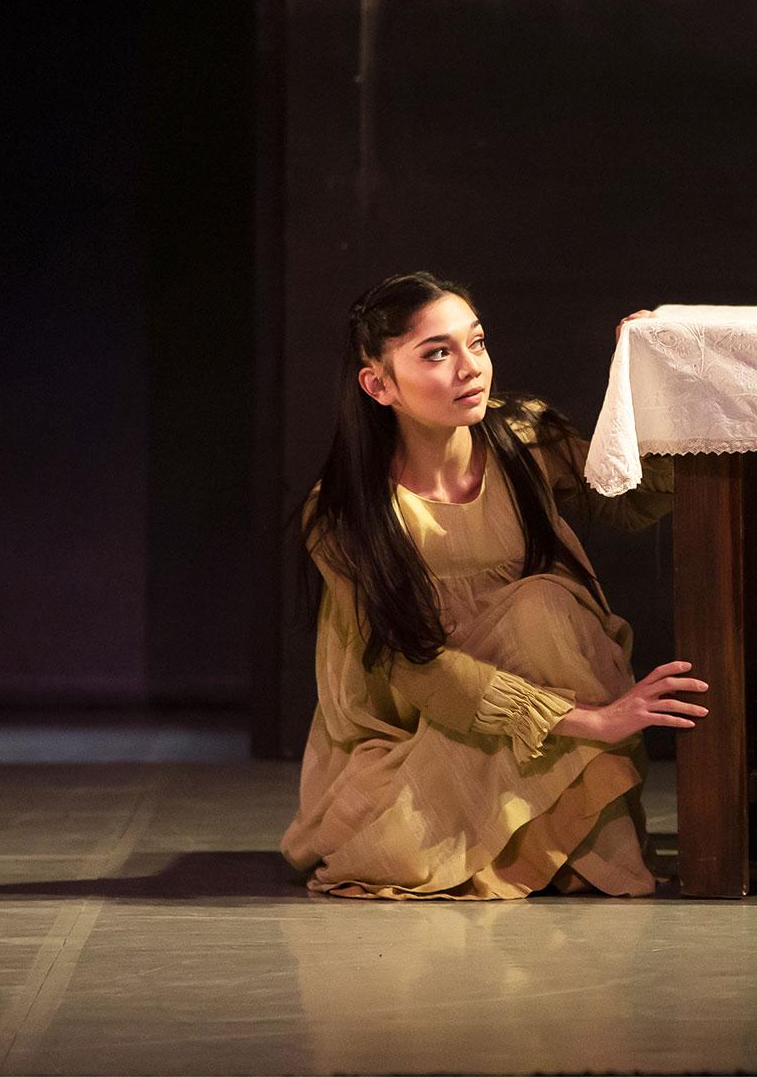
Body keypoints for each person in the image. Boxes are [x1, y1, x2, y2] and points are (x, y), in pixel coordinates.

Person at [278, 271, 710, 899]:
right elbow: (418, 670)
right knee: (399, 851)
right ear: (378, 384)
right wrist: (588, 722)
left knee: (542, 603)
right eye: (436, 353)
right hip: (426, 724)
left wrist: (656, 377)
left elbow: (633, 502)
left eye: (475, 343)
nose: (469, 368)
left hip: (549, 687)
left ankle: (566, 843)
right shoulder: (349, 513)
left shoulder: (522, 436)